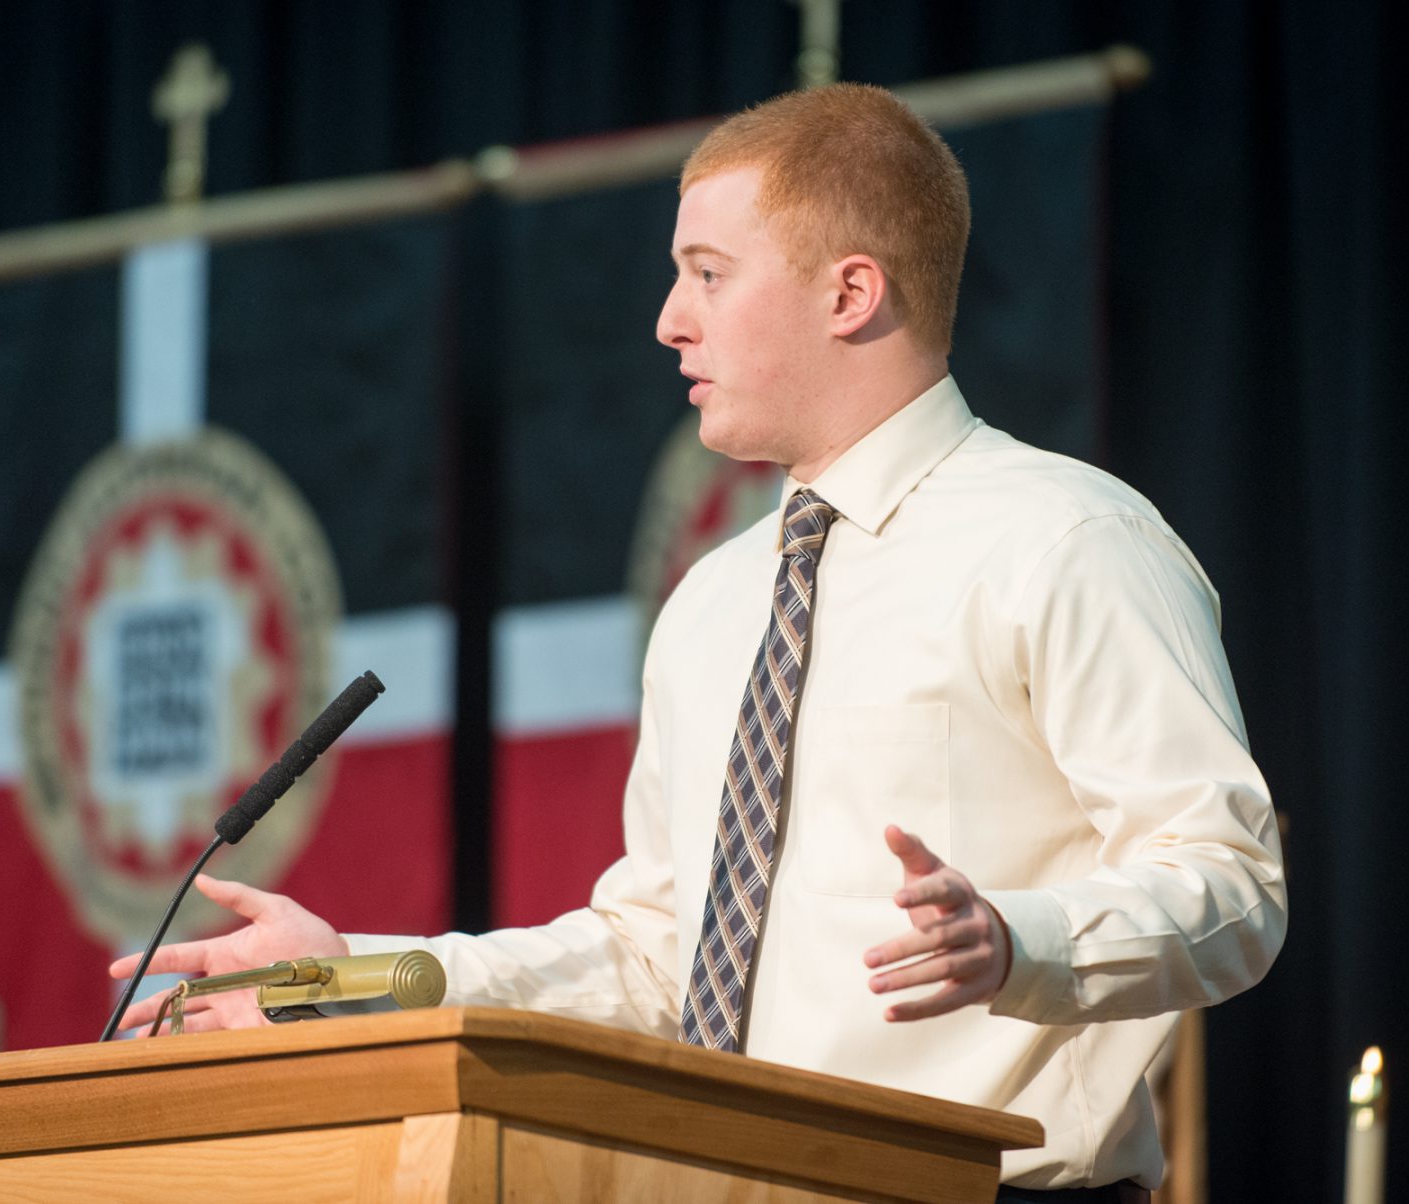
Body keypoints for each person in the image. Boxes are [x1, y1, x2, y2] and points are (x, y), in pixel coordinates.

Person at [112, 83, 1285, 1199]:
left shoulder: (1065, 540)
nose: (670, 321)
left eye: (708, 275)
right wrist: (349, 980)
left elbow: (1233, 883)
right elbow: (656, 957)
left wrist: (1017, 940)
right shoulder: (717, 600)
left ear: (850, 293)